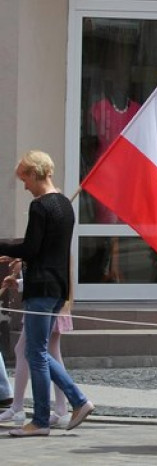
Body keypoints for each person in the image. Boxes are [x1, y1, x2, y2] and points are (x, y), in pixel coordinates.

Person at [0, 151, 93, 438]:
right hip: (58, 285)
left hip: (41, 285)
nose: (25, 185)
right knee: (36, 350)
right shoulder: (65, 204)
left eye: (25, 178)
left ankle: (45, 417)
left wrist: (4, 247)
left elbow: (31, 249)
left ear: (36, 174)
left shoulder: (40, 206)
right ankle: (74, 403)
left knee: (36, 352)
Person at [0, 259, 72, 428]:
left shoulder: (49, 249)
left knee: (27, 350)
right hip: (51, 302)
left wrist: (19, 281)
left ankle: (18, 407)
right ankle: (61, 408)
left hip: (43, 304)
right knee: (49, 352)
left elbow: (42, 278)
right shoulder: (57, 249)